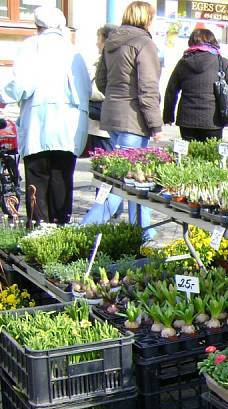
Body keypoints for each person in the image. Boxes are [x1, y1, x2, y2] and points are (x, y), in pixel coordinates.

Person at [0, 6, 90, 226]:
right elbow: (86, 89)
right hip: (69, 127)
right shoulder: (72, 49)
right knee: (62, 180)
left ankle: (39, 232)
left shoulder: (32, 46)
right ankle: (61, 230)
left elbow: (22, 84)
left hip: (40, 124)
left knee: (37, 182)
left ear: (38, 26)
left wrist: (3, 96)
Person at [91, 0, 162, 236]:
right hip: (133, 119)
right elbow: (148, 87)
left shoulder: (112, 41)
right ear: (146, 18)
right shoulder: (144, 43)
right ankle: (86, 230)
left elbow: (101, 80)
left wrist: (115, 95)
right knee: (122, 183)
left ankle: (141, 232)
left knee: (131, 180)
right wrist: (155, 124)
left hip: (112, 116)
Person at [163, 29, 228, 141]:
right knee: (211, 157)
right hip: (213, 120)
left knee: (189, 157)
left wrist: (168, 116)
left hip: (187, 120)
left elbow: (171, 91)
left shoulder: (183, 63)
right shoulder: (220, 62)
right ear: (213, 42)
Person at [85, 24, 116, 155]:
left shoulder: (110, 62)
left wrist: (86, 92)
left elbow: (102, 89)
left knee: (106, 162)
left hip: (104, 127)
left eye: (99, 39)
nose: (97, 43)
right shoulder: (100, 61)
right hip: (97, 126)